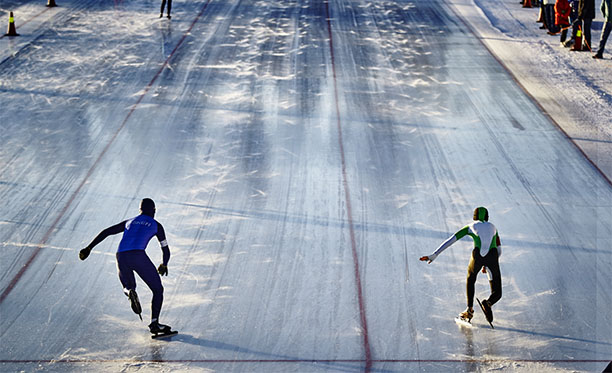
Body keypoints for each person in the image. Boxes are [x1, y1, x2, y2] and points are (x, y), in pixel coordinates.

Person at [79, 198, 172, 334]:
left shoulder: (130, 221)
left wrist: (89, 248)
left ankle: (130, 292)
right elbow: (165, 249)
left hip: (121, 255)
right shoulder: (157, 225)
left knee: (127, 286)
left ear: (140, 210)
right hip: (138, 255)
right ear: (154, 211)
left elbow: (106, 231)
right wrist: (164, 264)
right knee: (157, 290)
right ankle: (154, 324)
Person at [420, 207, 502, 323]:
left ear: (475, 217)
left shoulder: (471, 226)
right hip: (492, 257)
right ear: (487, 217)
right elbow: (499, 251)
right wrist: (490, 265)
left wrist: (434, 255)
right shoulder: (493, 227)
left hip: (477, 256)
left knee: (471, 278)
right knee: (497, 293)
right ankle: (488, 303)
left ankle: (469, 310)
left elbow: (451, 240)